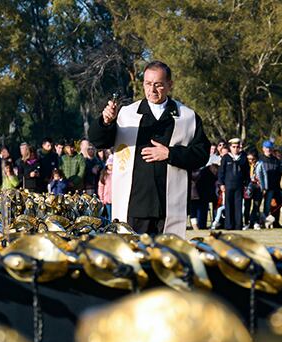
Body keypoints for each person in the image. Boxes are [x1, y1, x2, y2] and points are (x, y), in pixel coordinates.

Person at [88, 60, 210, 236]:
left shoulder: (187, 117)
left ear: (170, 85)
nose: (152, 90)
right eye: (147, 84)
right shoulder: (126, 114)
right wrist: (105, 122)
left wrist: (170, 153)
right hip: (133, 206)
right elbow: (98, 141)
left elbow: (201, 155)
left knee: (166, 259)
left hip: (169, 207)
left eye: (158, 85)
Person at [217, 138, 248, 230]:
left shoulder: (243, 158)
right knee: (229, 205)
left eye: (237, 147)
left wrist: (246, 184)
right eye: (233, 147)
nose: (235, 149)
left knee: (238, 205)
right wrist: (221, 184)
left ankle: (238, 225)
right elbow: (221, 172)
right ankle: (229, 225)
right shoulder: (226, 158)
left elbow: (246, 172)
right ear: (230, 147)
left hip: (239, 185)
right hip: (228, 185)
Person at [243, 151, 263, 229]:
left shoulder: (260, 164)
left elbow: (264, 175)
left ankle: (255, 222)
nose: (250, 161)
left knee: (256, 205)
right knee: (247, 206)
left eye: (252, 159)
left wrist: (264, 187)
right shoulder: (245, 165)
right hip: (248, 188)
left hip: (257, 187)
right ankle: (246, 222)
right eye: (249, 159)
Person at [98, 157, 113, 222]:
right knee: (109, 215)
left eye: (112, 165)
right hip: (107, 199)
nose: (111, 166)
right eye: (110, 165)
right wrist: (101, 198)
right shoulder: (104, 174)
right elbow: (101, 187)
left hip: (116, 199)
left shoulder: (117, 174)